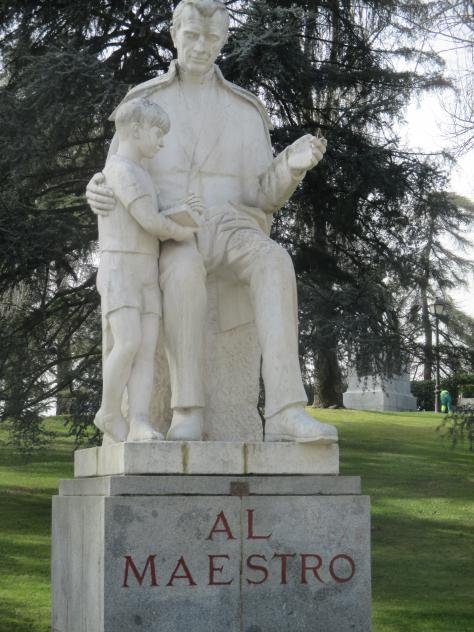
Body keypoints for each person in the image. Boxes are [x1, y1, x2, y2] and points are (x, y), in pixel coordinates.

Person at [87, 0, 338, 445]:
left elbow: (262, 196)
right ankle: (188, 410)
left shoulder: (245, 109)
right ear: (174, 34)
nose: (201, 46)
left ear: (224, 40)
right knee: (183, 272)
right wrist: (97, 189)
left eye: (211, 37)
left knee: (275, 261)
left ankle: (284, 410)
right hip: (173, 229)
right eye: (192, 35)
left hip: (232, 225)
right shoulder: (144, 102)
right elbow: (115, 172)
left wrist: (290, 167)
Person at [94, 96, 202, 443]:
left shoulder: (140, 171)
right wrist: (183, 231)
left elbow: (153, 214)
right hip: (120, 267)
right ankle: (109, 411)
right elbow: (148, 220)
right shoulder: (120, 170)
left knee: (143, 350)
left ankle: (138, 419)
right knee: (127, 343)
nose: (162, 141)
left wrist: (182, 209)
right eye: (157, 132)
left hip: (145, 269)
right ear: (135, 129)